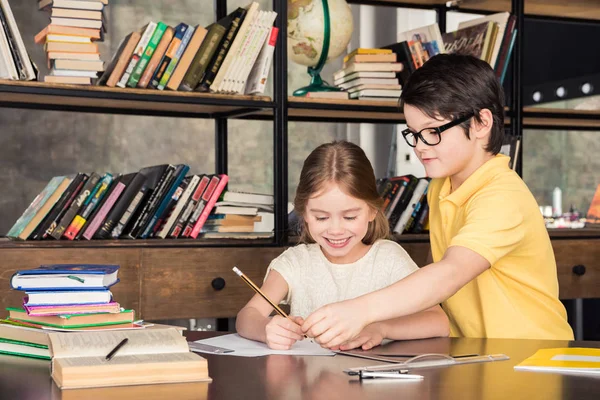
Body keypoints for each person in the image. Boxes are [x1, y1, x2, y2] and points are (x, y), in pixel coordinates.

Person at [301, 54, 574, 349]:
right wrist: (381, 328)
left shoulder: (502, 196)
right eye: (414, 134)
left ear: (481, 122)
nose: (419, 147)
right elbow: (436, 276)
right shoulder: (441, 186)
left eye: (433, 132)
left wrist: (359, 310)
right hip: (476, 354)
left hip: (531, 359)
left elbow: (450, 273)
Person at [236, 141, 449, 350]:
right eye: (321, 218)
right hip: (308, 381)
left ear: (372, 211)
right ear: (305, 214)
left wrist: (382, 329)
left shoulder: (388, 258)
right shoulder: (296, 262)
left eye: (349, 217)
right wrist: (268, 329)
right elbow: (247, 316)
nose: (336, 230)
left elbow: (438, 322)